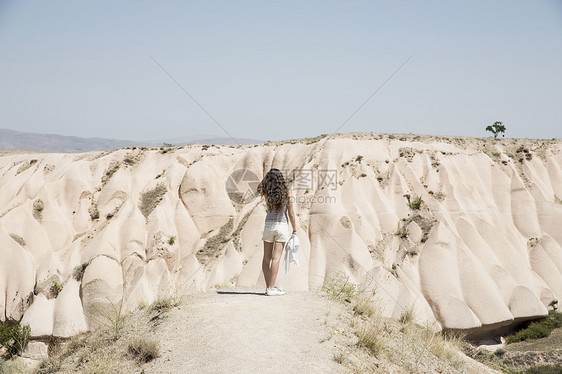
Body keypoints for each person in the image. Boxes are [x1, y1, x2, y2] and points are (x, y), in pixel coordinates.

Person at [257, 168, 297, 296]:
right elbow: (291, 213)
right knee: (276, 258)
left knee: (266, 258)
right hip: (282, 226)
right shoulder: (287, 192)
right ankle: (271, 288)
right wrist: (295, 229)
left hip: (268, 225)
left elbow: (259, 187)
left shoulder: (267, 192)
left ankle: (269, 287)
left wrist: (267, 179)